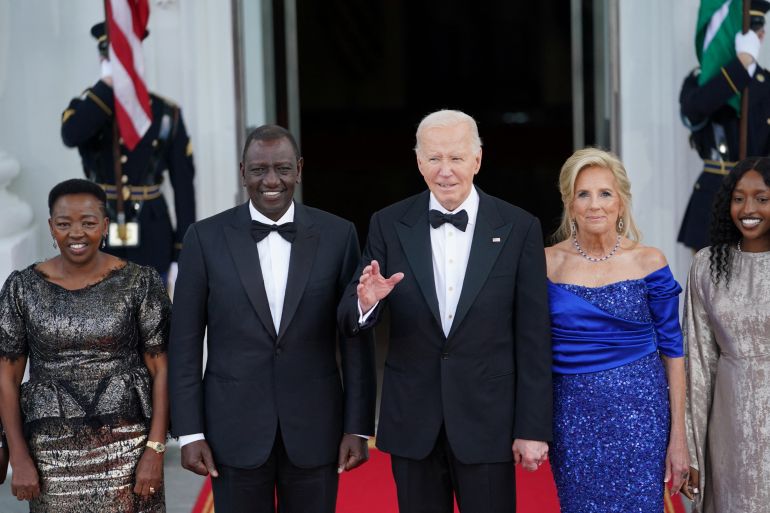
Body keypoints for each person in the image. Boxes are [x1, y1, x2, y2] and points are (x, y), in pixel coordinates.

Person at [338, 109, 552, 512]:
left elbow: (534, 335)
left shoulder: (519, 227)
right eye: (434, 158)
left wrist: (533, 427)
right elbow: (349, 316)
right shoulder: (388, 224)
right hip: (413, 423)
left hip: (489, 422)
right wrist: (367, 301)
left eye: (456, 158)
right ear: (419, 162)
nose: (445, 170)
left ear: (477, 160)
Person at [168, 125, 376, 513]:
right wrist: (190, 432)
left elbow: (354, 336)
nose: (271, 180)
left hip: (316, 428)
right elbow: (184, 342)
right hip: (232, 429)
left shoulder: (338, 235)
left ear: (298, 169)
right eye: (259, 170)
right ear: (242, 171)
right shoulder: (204, 238)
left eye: (281, 168)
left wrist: (357, 426)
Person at [0, 178, 170, 512]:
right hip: (51, 454)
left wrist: (156, 447)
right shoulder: (22, 288)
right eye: (64, 224)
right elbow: (6, 378)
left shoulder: (140, 282)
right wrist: (18, 457)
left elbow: (162, 369)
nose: (76, 233)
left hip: (129, 449)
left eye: (88, 223)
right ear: (51, 227)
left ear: (105, 226)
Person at [545, 148, 689, 513]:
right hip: (572, 420)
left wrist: (679, 438)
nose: (595, 205)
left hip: (642, 420)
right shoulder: (545, 263)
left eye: (605, 193)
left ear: (621, 202)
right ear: (569, 202)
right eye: (584, 194)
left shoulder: (649, 262)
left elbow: (673, 353)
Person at [61, 22, 196, 278]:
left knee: (150, 312)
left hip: (152, 232)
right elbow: (72, 135)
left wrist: (183, 250)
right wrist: (108, 84)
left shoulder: (165, 112)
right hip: (98, 230)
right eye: (109, 56)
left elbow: (184, 185)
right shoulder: (88, 107)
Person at [684, 157, 770, 513]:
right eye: (738, 198)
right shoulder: (707, 264)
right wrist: (691, 449)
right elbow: (698, 364)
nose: (748, 209)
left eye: (762, 198)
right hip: (729, 420)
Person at [678, 0, 770, 250]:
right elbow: (695, 110)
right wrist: (741, 66)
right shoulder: (699, 82)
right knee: (708, 287)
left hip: (761, 203)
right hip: (713, 199)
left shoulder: (767, 86)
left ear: (759, 35)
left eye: (752, 32)